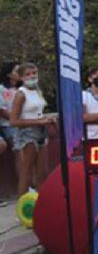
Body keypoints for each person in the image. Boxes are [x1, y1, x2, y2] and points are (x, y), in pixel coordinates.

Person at [8, 63, 54, 196]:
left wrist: (46, 119)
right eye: (28, 74)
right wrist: (38, 121)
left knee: (42, 171)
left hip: (41, 130)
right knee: (26, 171)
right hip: (27, 133)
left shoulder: (37, 91)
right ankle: (21, 205)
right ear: (21, 77)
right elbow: (13, 120)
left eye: (34, 73)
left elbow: (37, 111)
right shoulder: (21, 94)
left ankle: (40, 202)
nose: (32, 76)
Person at [0, 62, 20, 159]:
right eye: (17, 71)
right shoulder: (1, 89)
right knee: (20, 153)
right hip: (10, 125)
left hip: (24, 124)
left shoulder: (22, 89)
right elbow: (2, 111)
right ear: (9, 74)